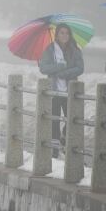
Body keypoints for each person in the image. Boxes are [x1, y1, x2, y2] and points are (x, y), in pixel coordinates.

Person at [38, 24, 84, 158]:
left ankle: (65, 141)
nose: (64, 36)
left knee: (72, 119)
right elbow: (43, 68)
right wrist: (58, 66)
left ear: (70, 35)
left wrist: (66, 73)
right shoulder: (50, 49)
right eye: (62, 33)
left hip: (70, 91)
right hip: (54, 91)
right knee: (54, 120)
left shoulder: (75, 50)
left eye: (67, 33)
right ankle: (55, 151)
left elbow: (80, 68)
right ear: (57, 35)